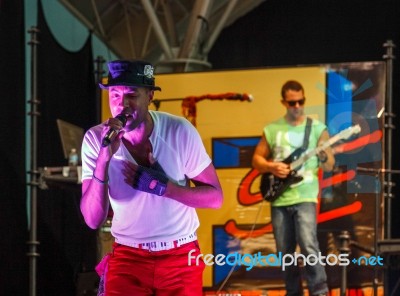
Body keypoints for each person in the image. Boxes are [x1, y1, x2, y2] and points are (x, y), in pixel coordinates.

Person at [80, 59, 223, 295]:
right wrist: (103, 160)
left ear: (150, 96)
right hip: (128, 257)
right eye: (115, 95)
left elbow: (215, 198)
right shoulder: (96, 139)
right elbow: (92, 220)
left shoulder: (178, 130)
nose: (122, 104)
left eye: (132, 95)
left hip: (180, 255)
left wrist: (164, 187)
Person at [252, 80, 334, 296]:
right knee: (284, 252)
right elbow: (256, 160)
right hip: (279, 197)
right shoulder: (272, 129)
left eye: (301, 101)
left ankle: (319, 291)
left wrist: (323, 153)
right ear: (284, 102)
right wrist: (272, 166)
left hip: (305, 195)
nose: (297, 106)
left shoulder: (317, 129)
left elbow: (330, 164)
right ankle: (292, 292)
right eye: (292, 103)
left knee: (308, 244)